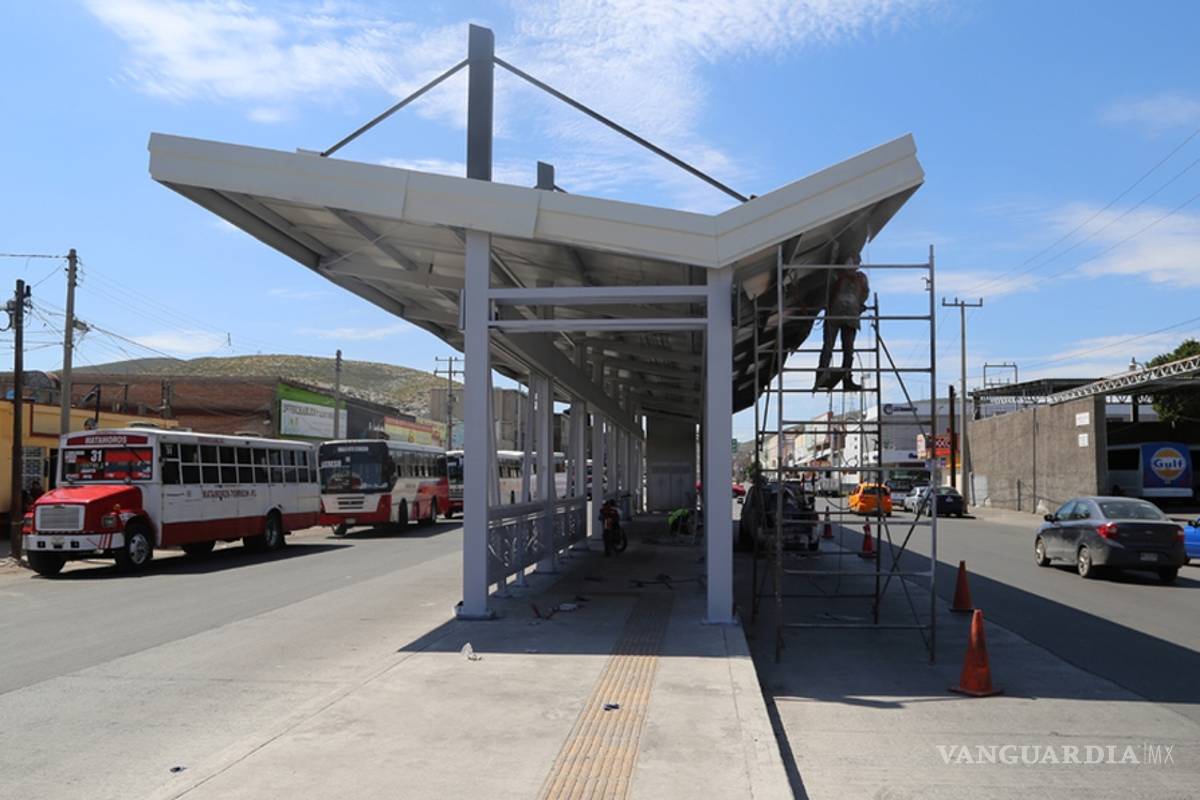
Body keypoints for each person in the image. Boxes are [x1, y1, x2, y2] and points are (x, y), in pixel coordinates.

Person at [815, 254, 870, 392]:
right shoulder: (837, 275)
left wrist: (859, 305)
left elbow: (864, 294)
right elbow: (827, 290)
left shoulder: (860, 278)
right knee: (829, 346)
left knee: (848, 349)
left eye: (856, 262)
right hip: (836, 314)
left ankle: (846, 378)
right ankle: (822, 374)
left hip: (849, 316)